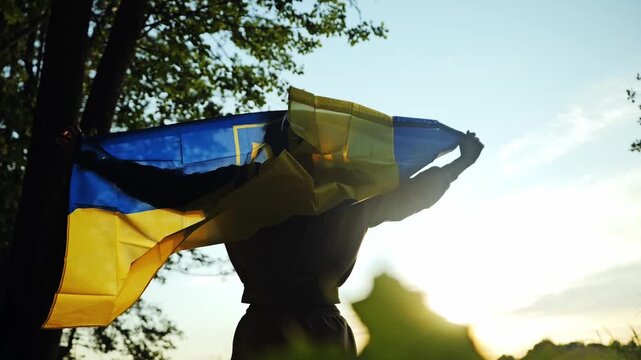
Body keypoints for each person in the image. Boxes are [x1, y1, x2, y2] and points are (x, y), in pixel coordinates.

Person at [78, 121, 483, 360]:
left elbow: (164, 187)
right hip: (299, 327)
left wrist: (98, 159)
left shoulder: (248, 189)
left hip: (274, 328)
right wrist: (458, 165)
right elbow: (406, 198)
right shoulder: (341, 196)